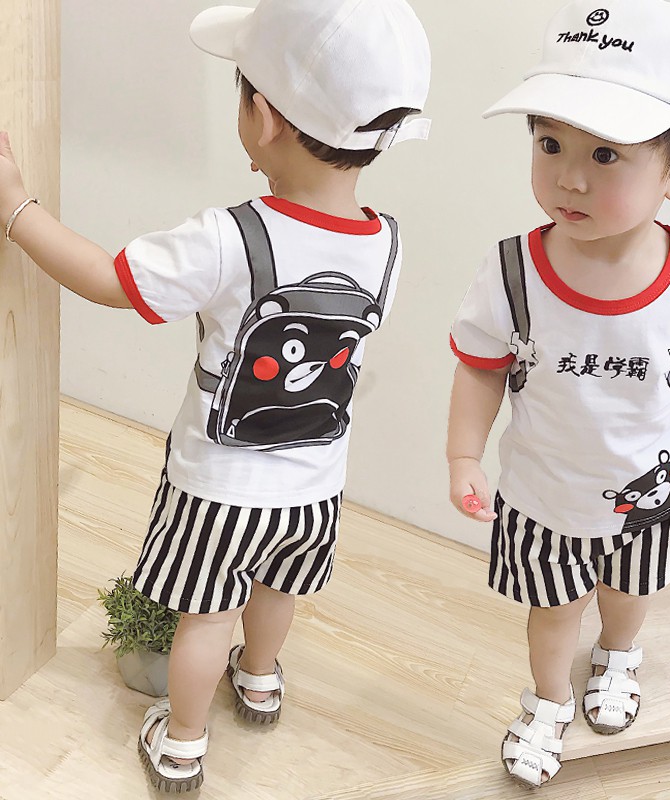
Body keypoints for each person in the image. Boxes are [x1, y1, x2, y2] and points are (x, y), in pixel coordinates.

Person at [0, 0, 431, 791]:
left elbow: (109, 280)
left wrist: (18, 209)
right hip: (316, 489)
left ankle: (183, 743)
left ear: (261, 117)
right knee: (277, 589)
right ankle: (260, 679)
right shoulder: (389, 243)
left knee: (204, 618)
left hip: (218, 489)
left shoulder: (230, 237)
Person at [446, 0, 670, 789]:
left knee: (628, 592)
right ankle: (548, 700)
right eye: (550, 143)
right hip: (542, 499)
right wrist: (463, 455)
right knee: (552, 611)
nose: (569, 177)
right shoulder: (513, 270)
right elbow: (481, 365)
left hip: (645, 502)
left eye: (607, 154)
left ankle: (617, 656)